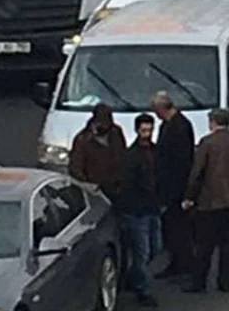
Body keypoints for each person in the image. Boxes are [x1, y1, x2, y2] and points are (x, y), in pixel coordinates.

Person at [182, 108, 229, 294]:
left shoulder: (207, 144)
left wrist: (189, 197)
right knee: (227, 245)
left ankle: (199, 282)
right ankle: (225, 282)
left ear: (212, 122)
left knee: (204, 245)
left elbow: (197, 173)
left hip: (209, 201)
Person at [118, 114, 162, 308]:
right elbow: (128, 185)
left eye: (150, 130)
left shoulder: (155, 151)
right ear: (137, 131)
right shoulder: (131, 156)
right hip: (138, 210)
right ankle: (142, 290)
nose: (147, 134)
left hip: (152, 207)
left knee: (155, 247)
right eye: (144, 130)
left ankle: (133, 278)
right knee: (142, 252)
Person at [151, 92, 196, 280]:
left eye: (156, 111)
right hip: (169, 187)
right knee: (171, 228)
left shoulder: (179, 126)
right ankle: (177, 263)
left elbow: (181, 161)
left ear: (162, 109)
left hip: (176, 188)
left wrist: (181, 192)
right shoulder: (169, 125)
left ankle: (185, 264)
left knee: (180, 228)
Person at [68, 103, 127, 203]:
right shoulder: (83, 140)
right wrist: (90, 184)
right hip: (96, 190)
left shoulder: (116, 132)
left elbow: (123, 154)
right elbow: (75, 167)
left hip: (117, 187)